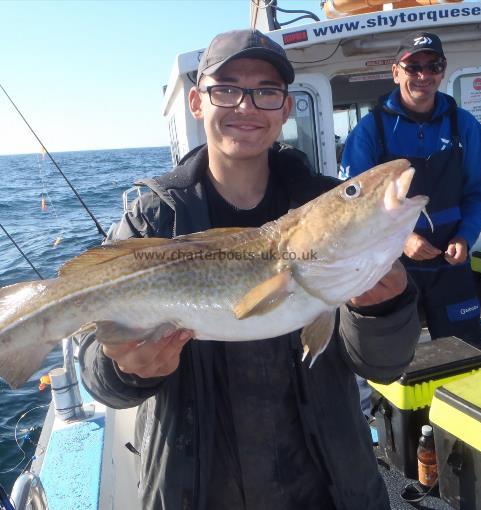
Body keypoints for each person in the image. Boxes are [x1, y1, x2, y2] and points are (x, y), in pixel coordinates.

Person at [79, 28, 420, 510]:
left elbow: (382, 365)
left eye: (266, 91)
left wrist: (382, 312)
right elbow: (96, 367)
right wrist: (128, 369)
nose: (246, 106)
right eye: (227, 89)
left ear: (285, 107)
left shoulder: (319, 209)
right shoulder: (153, 221)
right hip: (195, 491)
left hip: (328, 489)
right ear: (197, 102)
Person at [342, 31, 481, 351]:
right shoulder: (370, 131)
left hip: (451, 264)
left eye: (433, 65)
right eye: (413, 67)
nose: (424, 75)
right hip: (392, 266)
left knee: (466, 354)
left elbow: (479, 191)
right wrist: (403, 239)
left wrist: (465, 236)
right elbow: (353, 207)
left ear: (443, 69)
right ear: (396, 72)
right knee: (397, 358)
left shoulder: (465, 126)